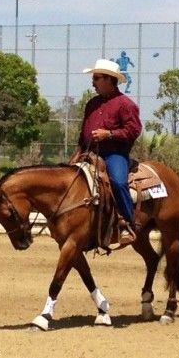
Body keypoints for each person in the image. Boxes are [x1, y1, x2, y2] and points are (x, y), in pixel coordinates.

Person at [72, 58, 142, 244]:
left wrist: (109, 134)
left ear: (110, 80)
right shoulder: (91, 104)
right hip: (88, 153)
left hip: (114, 155)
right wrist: (76, 155)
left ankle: (127, 223)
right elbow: (83, 133)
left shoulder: (126, 104)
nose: (92, 82)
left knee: (118, 182)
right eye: (94, 78)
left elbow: (134, 130)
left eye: (96, 78)